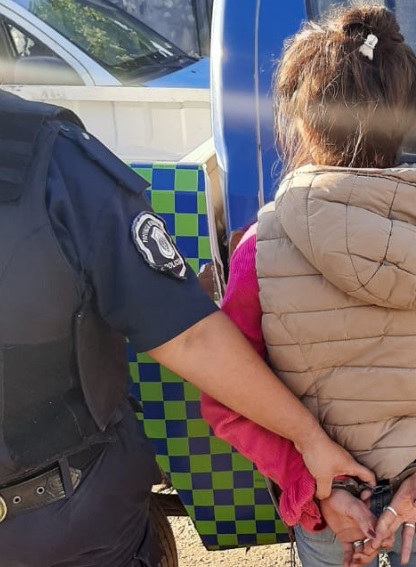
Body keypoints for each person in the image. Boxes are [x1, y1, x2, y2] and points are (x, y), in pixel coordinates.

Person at [200, 4, 416, 567]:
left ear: (304, 122)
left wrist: (311, 484)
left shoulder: (261, 249)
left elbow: (227, 397)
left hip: (329, 506)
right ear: (408, 118)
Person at [0, 90, 374, 567]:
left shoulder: (54, 162)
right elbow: (188, 336)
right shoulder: (54, 159)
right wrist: (308, 438)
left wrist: (308, 442)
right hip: (73, 528)